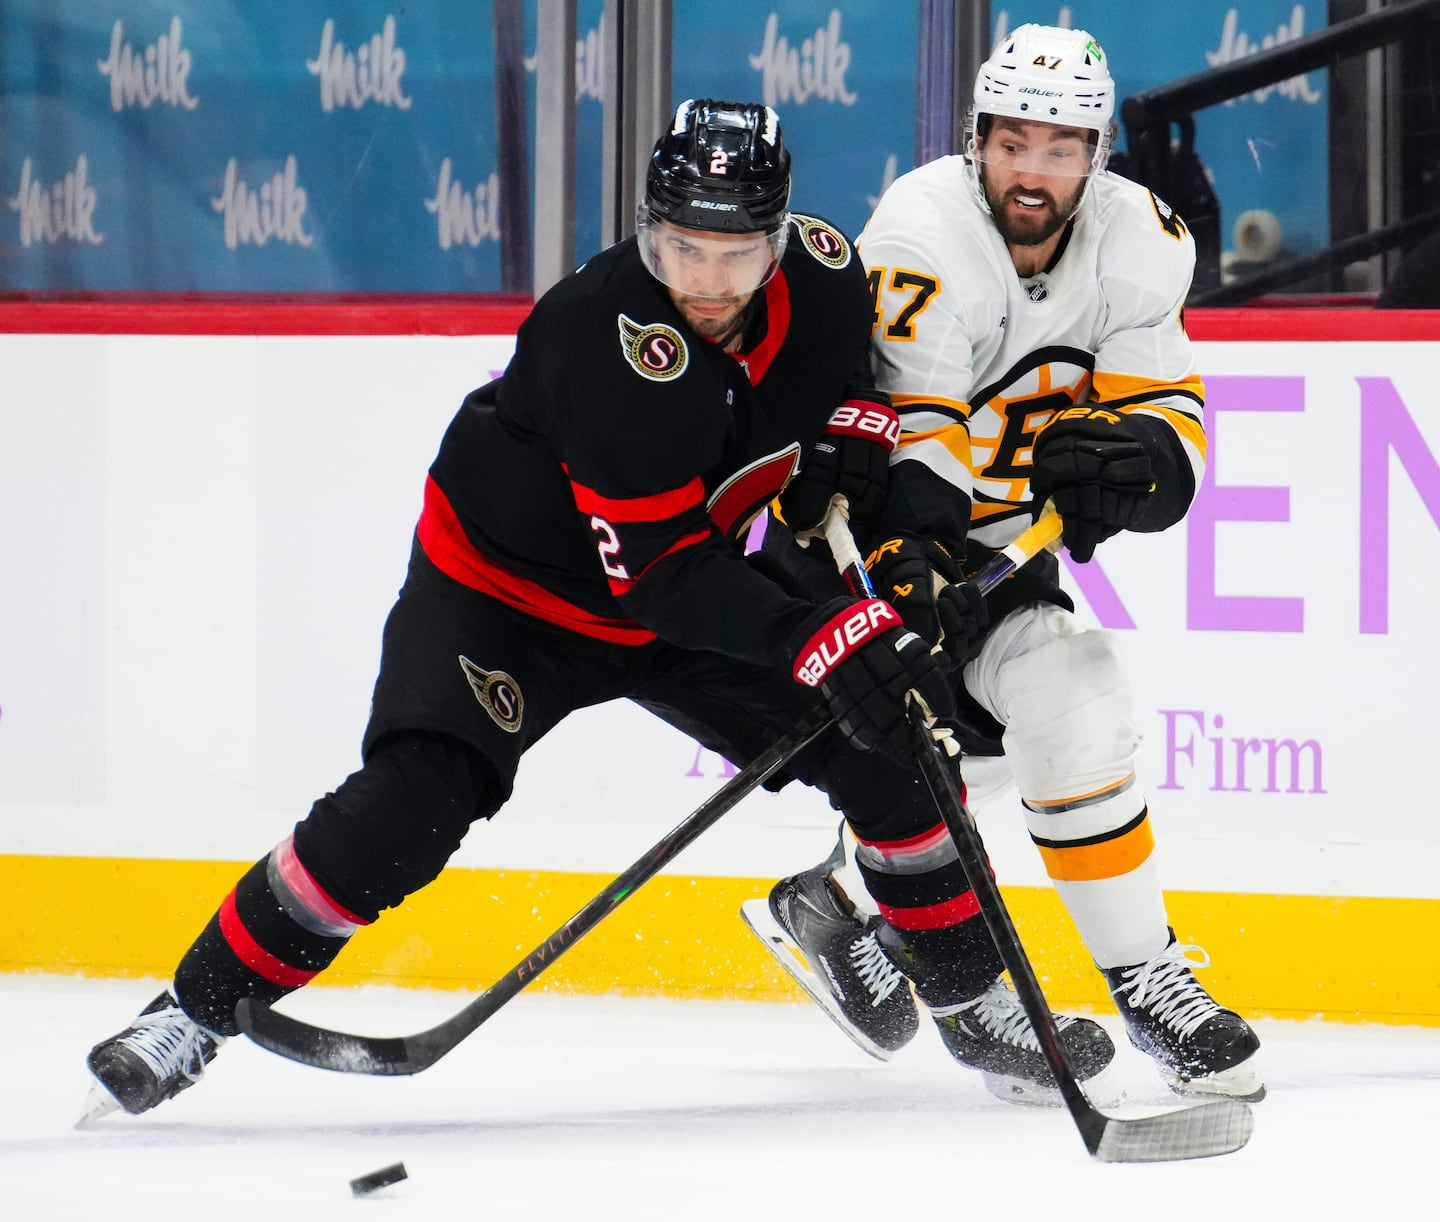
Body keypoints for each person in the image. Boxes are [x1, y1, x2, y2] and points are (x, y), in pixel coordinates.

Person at [81, 97, 1091, 1123]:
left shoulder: (830, 278)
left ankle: (973, 1001)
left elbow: (846, 398)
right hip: (507, 600)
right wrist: (822, 632)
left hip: (682, 596)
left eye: (734, 257)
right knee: (411, 808)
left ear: (781, 242)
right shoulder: (596, 337)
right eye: (678, 247)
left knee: (894, 747)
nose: (703, 281)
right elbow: (658, 575)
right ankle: (193, 1012)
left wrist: (857, 456)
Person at [744, 25, 1264, 1104]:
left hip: (993, 555)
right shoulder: (924, 228)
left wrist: (1150, 462)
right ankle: (918, 956)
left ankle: (1136, 979)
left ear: (1099, 153)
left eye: (1063, 147)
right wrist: (915, 554)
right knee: (920, 745)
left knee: (1072, 688)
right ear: (977, 138)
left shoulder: (1142, 242)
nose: (1034, 169)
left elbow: (1164, 401)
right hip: (865, 536)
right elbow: (920, 422)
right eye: (1014, 141)